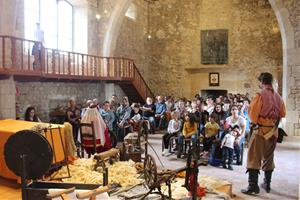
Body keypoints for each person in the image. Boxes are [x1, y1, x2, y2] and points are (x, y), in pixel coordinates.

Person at [241, 72, 286, 195]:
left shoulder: (259, 95)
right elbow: (282, 114)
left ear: (262, 82)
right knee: (269, 157)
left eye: (259, 82)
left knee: (254, 157)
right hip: (273, 132)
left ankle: (253, 186)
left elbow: (253, 116)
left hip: (260, 131)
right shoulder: (278, 97)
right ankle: (267, 183)